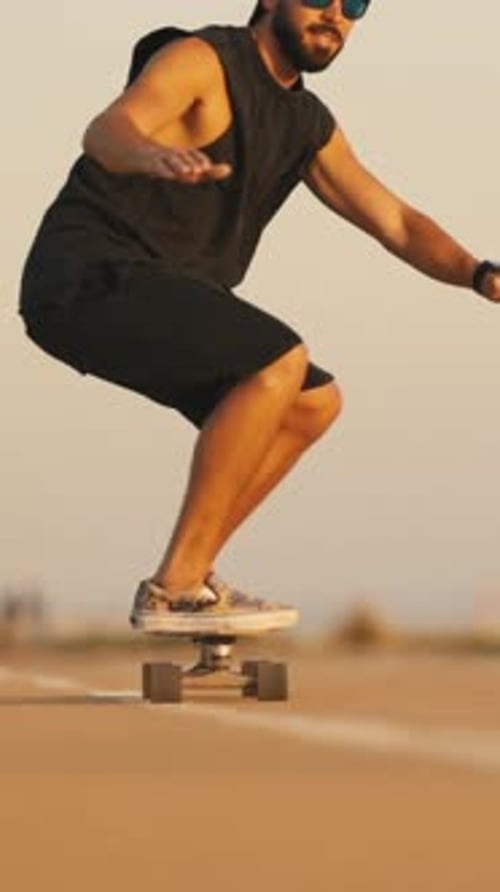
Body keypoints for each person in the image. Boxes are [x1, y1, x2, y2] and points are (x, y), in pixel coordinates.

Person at [19, 0, 500, 633]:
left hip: (157, 290)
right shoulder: (203, 60)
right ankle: (176, 583)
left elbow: (397, 222)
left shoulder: (306, 123)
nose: (335, 14)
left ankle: (188, 583)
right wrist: (148, 155)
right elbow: (108, 129)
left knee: (311, 401)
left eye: (353, 4)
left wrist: (477, 273)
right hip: (85, 273)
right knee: (275, 360)